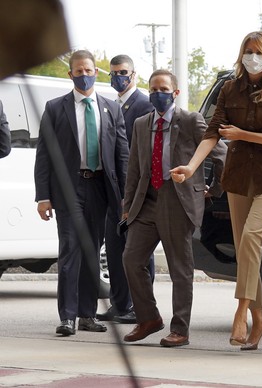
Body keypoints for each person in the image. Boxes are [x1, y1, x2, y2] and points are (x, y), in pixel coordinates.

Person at [170, 31, 262, 351]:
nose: (252, 57)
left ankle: (241, 311)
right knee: (244, 252)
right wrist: (191, 166)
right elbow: (212, 134)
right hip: (239, 178)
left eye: (258, 51)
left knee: (252, 238)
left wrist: (242, 134)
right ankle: (260, 318)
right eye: (247, 51)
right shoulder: (230, 88)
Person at [121, 69, 226, 347]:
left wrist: (213, 190)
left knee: (180, 268)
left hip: (177, 200)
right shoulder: (142, 123)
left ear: (175, 93)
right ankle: (149, 319)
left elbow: (221, 155)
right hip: (146, 201)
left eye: (163, 89)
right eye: (153, 89)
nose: (158, 94)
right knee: (131, 259)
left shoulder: (191, 121)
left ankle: (180, 329)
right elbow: (134, 169)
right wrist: (127, 205)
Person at [34, 49, 129, 336]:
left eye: (89, 71)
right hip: (68, 189)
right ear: (70, 74)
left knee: (91, 250)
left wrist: (125, 197)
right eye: (79, 71)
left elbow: (122, 154)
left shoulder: (111, 108)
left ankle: (87, 314)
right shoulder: (55, 108)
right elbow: (44, 155)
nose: (84, 75)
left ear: (96, 72)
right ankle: (68, 316)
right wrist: (43, 196)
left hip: (100, 188)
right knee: (70, 250)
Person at [96, 54, 155, 324]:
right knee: (115, 246)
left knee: (139, 250)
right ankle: (120, 303)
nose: (118, 77)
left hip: (136, 191)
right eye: (113, 72)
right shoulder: (108, 105)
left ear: (134, 75)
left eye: (123, 72)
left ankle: (140, 306)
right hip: (112, 189)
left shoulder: (144, 105)